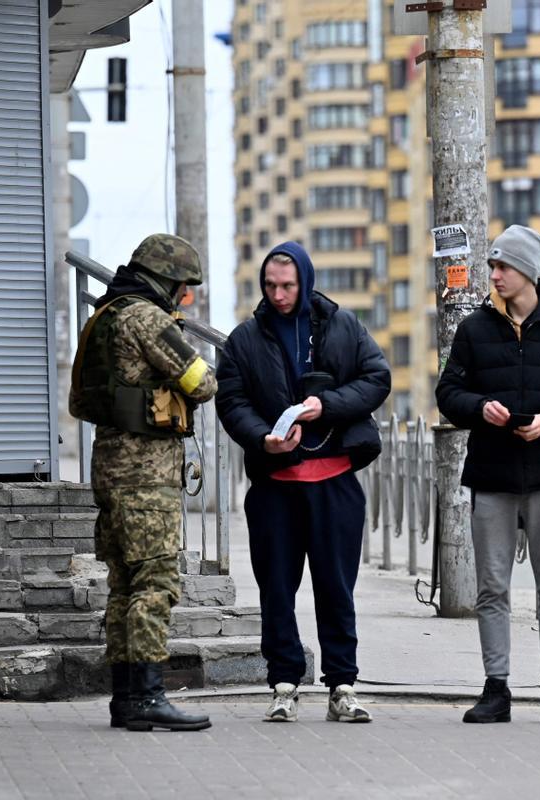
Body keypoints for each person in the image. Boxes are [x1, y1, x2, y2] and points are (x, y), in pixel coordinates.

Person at [436, 225, 540, 725]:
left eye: (502, 267)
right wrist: (478, 408)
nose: (494, 276)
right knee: (492, 587)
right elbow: (448, 392)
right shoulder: (474, 331)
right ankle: (496, 688)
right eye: (491, 267)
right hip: (492, 475)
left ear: (527, 272)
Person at [216, 242, 390, 723]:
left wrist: (325, 405)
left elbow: (377, 377)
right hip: (275, 486)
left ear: (305, 281)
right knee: (276, 588)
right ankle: (284, 683)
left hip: (334, 482)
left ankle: (343, 686)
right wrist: (261, 439)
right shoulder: (245, 339)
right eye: (270, 285)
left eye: (287, 285)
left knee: (337, 588)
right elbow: (231, 402)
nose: (278, 294)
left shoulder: (343, 326)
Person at [69, 233, 218, 732]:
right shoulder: (147, 318)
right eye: (183, 288)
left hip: (109, 465)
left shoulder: (104, 316)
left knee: (123, 585)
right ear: (168, 282)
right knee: (156, 582)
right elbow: (202, 382)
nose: (183, 298)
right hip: (145, 472)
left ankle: (126, 698)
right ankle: (150, 697)